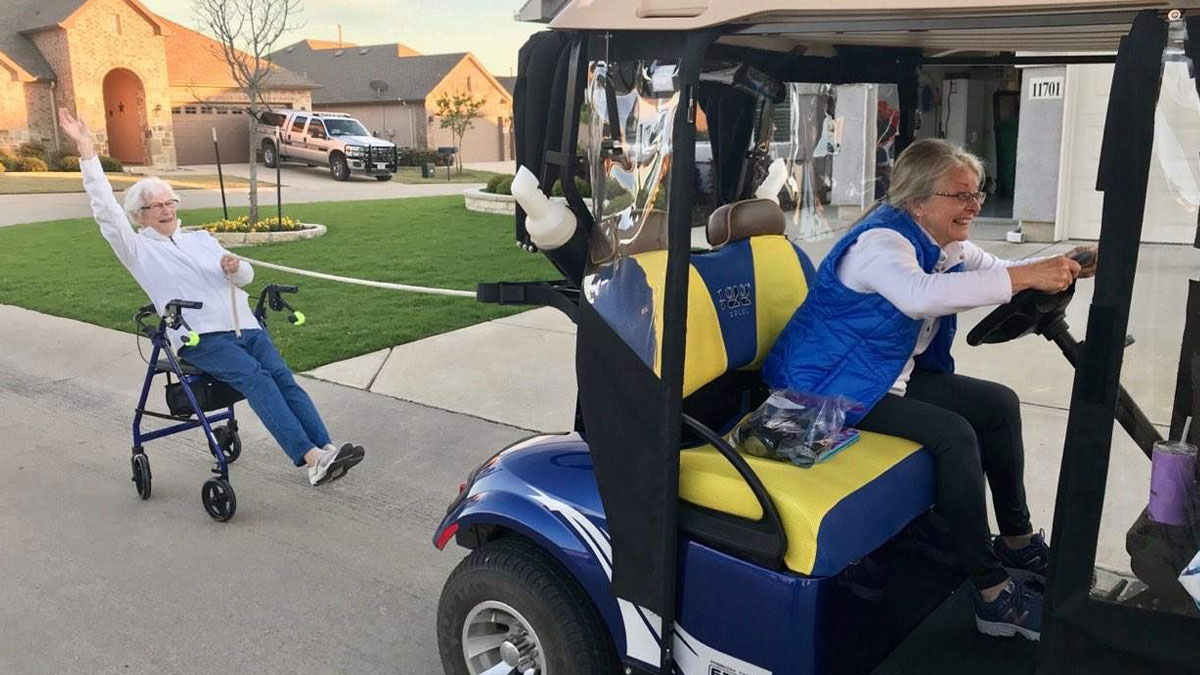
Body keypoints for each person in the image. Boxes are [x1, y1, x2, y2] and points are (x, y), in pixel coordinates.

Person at [763, 138, 1097, 642]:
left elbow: (1000, 273)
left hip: (881, 376)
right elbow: (919, 296)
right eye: (960, 195)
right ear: (918, 200)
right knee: (953, 435)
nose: (975, 204)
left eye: (977, 193)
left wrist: (1065, 263)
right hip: (825, 388)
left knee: (999, 403)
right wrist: (1025, 276)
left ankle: (1018, 540)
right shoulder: (880, 244)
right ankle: (991, 592)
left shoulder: (948, 245)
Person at [58, 107, 364, 487]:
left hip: (245, 327)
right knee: (257, 380)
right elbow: (105, 209)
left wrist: (236, 268)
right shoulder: (138, 249)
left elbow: (246, 279)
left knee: (283, 378)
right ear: (139, 216)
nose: (166, 210)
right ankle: (311, 458)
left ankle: (327, 449)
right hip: (201, 338)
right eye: (156, 206)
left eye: (170, 202)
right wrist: (87, 149)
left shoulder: (201, 240)